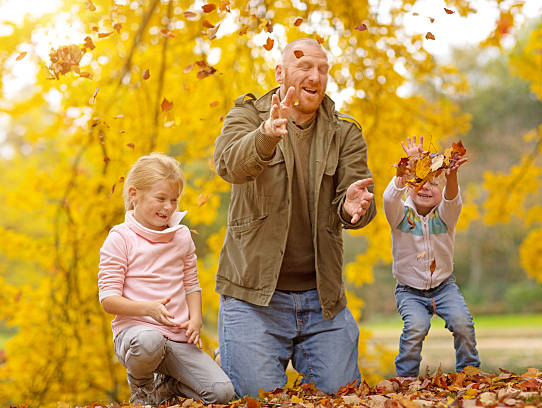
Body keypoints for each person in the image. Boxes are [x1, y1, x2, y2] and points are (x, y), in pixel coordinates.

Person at [213, 38, 376, 396]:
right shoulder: (247, 115)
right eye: (305, 66)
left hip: (323, 300)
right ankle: (233, 352)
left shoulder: (344, 132)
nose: (315, 76)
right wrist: (266, 135)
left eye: (322, 68)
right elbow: (228, 165)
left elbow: (359, 200)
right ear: (281, 72)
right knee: (255, 400)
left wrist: (352, 209)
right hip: (253, 299)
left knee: (342, 398)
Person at [98, 153, 234, 405]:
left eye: (174, 200)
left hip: (176, 336)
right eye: (160, 198)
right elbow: (108, 300)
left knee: (222, 393)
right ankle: (142, 387)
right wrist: (147, 309)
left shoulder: (181, 236)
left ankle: (166, 386)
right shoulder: (120, 238)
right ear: (133, 194)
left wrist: (195, 320)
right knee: (150, 340)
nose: (168, 207)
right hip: (136, 336)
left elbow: (191, 284)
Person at [382, 136, 480, 378]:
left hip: (444, 287)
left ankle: (470, 373)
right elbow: (388, 198)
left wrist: (452, 175)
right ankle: (406, 377)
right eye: (420, 181)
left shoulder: (446, 216)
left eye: (433, 184)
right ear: (410, 187)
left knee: (463, 324)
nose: (426, 187)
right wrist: (406, 172)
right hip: (409, 291)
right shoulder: (400, 216)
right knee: (416, 327)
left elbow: (452, 198)